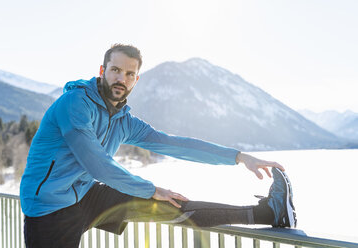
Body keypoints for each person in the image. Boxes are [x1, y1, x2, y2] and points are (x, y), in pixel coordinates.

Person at [20, 44, 296, 248]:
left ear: (136, 80)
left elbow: (173, 144)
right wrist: (151, 188)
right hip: (49, 209)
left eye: (129, 74)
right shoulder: (75, 104)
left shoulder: (123, 121)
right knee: (156, 195)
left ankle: (269, 212)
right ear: (103, 71)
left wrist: (239, 157)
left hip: (85, 195)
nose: (121, 79)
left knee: (171, 204)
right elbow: (98, 165)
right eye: (115, 70)